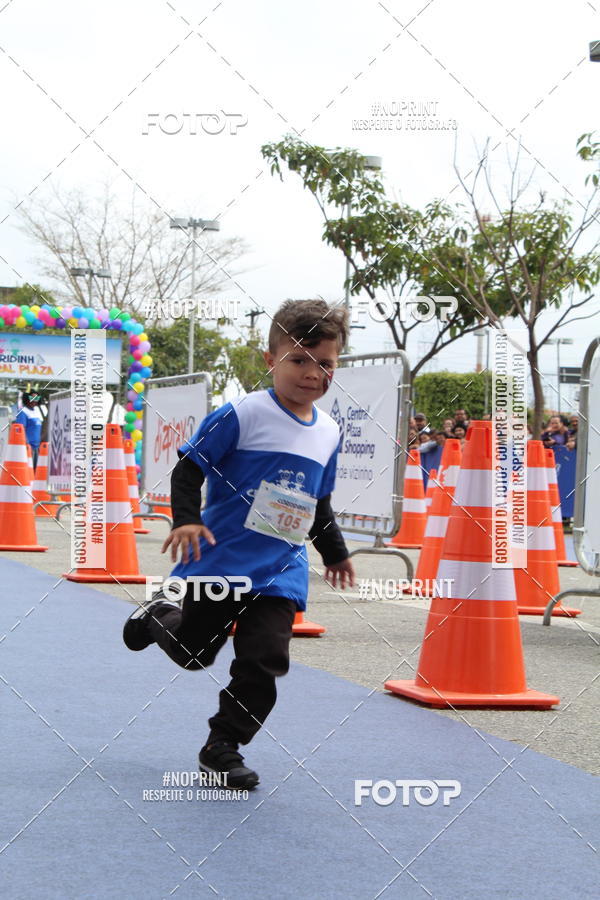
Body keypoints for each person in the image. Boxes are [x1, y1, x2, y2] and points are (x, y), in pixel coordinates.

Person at [122, 299, 355, 790]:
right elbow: (189, 468)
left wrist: (334, 552)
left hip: (279, 571)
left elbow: (318, 500)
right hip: (220, 562)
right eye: (298, 359)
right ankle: (157, 615)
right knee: (194, 654)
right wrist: (186, 520)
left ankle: (222, 746)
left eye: (325, 363)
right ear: (270, 360)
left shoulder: (329, 432)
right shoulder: (243, 413)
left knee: (264, 662)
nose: (312, 374)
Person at [15, 391, 42, 469]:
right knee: (28, 470)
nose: (34, 400)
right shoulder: (23, 412)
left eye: (36, 398)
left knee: (35, 470)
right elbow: (20, 430)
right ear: (27, 398)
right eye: (32, 398)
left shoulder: (37, 411)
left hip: (37, 447)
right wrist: (26, 444)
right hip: (28, 447)